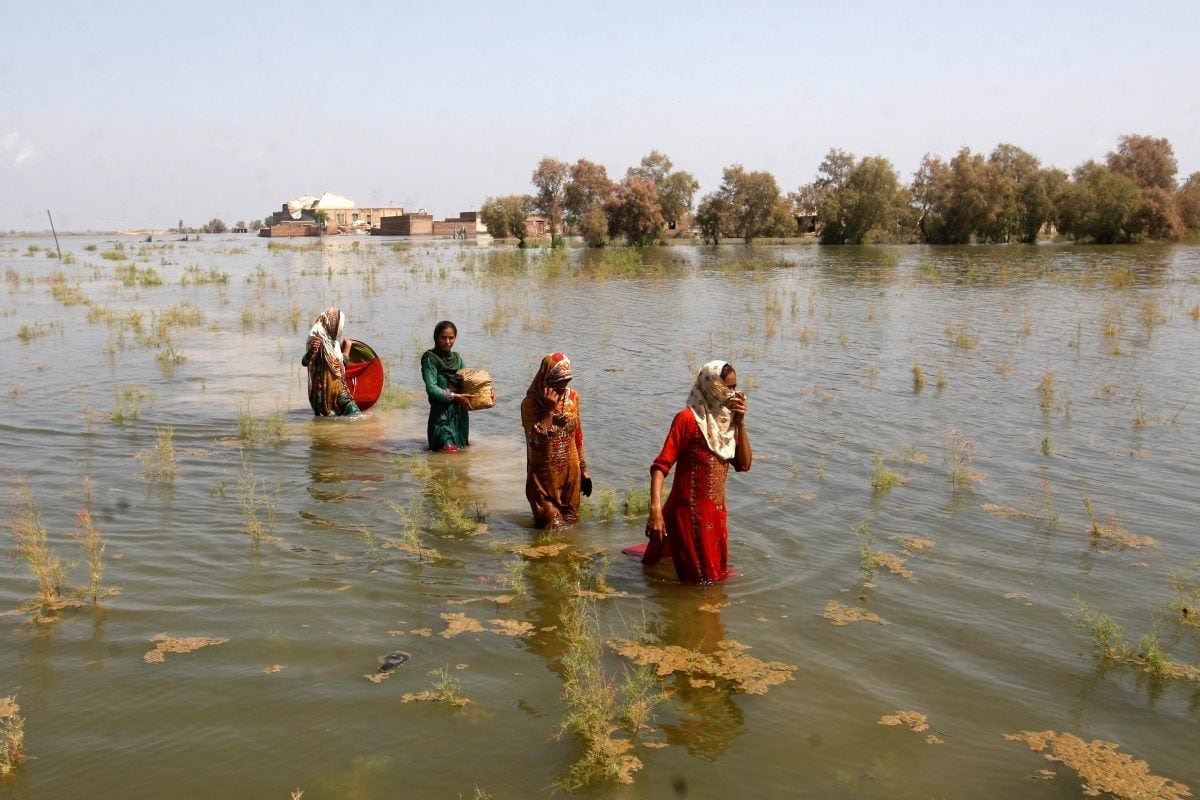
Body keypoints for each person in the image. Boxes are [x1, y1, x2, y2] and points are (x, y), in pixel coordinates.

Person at [640, 361, 752, 582]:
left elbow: (744, 464)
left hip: (716, 516)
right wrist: (655, 510)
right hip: (689, 516)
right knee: (700, 586)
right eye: (727, 388)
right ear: (711, 387)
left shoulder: (725, 424)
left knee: (714, 579)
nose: (733, 394)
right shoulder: (688, 420)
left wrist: (741, 424)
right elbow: (660, 467)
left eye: (735, 387)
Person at [520, 352, 592, 529]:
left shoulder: (573, 397)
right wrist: (548, 412)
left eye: (565, 381)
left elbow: (578, 434)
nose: (562, 387)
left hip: (570, 473)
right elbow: (535, 442)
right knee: (552, 528)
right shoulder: (530, 404)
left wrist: (583, 470)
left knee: (572, 524)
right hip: (543, 478)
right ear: (546, 378)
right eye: (557, 382)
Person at [301, 306, 361, 417]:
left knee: (328, 429)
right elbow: (305, 362)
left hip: (318, 397)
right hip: (336, 393)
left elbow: (337, 364)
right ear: (334, 324)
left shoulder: (334, 343)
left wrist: (346, 347)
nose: (340, 329)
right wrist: (311, 352)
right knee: (357, 416)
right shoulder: (319, 340)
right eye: (340, 326)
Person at [421, 321, 471, 452]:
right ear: (436, 337)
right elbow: (431, 388)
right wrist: (455, 396)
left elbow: (470, 380)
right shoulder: (430, 358)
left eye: (451, 338)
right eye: (443, 337)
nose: (447, 342)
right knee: (448, 452)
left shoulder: (457, 359)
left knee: (461, 455)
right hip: (441, 416)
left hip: (460, 416)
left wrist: (488, 390)